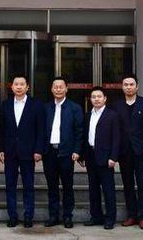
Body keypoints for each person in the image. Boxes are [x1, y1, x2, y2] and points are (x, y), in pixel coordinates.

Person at [0, 74, 45, 228]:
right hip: (10, 151)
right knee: (10, 186)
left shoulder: (36, 104)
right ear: (11, 87)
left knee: (28, 186)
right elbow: (1, 129)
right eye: (16, 84)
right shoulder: (5, 105)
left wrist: (38, 150)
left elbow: (40, 130)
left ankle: (28, 216)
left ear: (27, 87)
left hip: (29, 151)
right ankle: (12, 216)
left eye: (22, 84)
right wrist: (1, 149)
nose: (19, 87)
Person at [115, 74, 143, 230]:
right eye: (126, 84)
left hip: (141, 151)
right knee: (128, 184)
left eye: (131, 84)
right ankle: (132, 215)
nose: (129, 87)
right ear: (122, 87)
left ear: (137, 86)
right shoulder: (116, 105)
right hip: (124, 151)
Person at [43, 77, 83, 228]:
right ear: (51, 89)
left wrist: (77, 150)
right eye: (55, 87)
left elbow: (79, 131)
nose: (58, 89)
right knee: (52, 186)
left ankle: (67, 216)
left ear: (66, 88)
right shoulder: (46, 108)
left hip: (67, 153)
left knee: (67, 186)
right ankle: (53, 216)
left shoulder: (74, 108)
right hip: (49, 153)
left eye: (61, 87)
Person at [82, 86, 121, 230]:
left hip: (106, 157)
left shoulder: (112, 115)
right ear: (90, 99)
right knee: (93, 189)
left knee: (108, 189)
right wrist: (82, 155)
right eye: (94, 97)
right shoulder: (88, 115)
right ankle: (96, 216)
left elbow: (116, 138)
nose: (96, 99)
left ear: (105, 99)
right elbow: (84, 136)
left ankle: (110, 218)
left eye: (99, 96)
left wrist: (113, 157)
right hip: (91, 156)